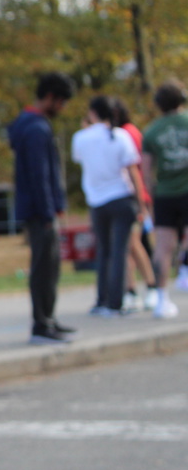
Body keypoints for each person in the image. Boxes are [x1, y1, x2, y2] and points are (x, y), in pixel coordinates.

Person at [7, 71, 76, 344]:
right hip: (40, 211)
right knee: (44, 268)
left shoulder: (29, 124)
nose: (62, 108)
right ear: (50, 97)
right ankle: (42, 323)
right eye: (61, 102)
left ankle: (48, 317)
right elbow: (41, 175)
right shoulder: (36, 128)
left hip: (38, 209)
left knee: (50, 265)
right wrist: (49, 211)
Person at [72, 96, 143, 317]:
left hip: (97, 201)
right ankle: (116, 302)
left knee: (103, 251)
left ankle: (101, 299)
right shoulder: (120, 136)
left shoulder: (80, 137)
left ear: (92, 113)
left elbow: (80, 160)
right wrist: (141, 203)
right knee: (119, 251)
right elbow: (133, 171)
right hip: (121, 197)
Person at [142, 79, 188, 318]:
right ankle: (185, 266)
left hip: (164, 194)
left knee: (162, 247)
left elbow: (146, 171)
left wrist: (151, 198)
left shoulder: (152, 131)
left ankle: (162, 298)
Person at [111, 97, 158, 311]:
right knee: (127, 246)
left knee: (133, 243)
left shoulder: (128, 132)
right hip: (124, 197)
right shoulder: (115, 134)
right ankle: (131, 290)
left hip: (134, 196)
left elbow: (137, 168)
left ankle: (151, 286)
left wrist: (142, 200)